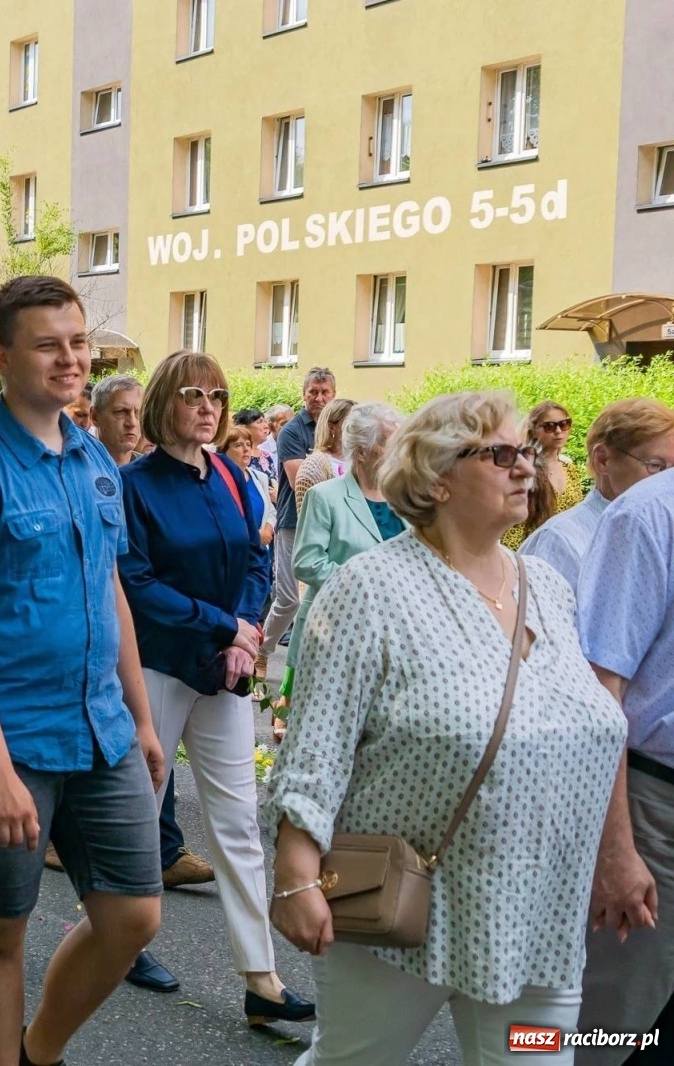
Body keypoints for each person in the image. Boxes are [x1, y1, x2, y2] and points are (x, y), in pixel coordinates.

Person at [265, 390, 634, 1063]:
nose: (527, 466)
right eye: (501, 453)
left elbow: (592, 734)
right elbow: (315, 750)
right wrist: (294, 876)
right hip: (406, 906)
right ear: (436, 477)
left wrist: (617, 854)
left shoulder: (548, 586)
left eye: (527, 450)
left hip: (540, 913)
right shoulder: (368, 590)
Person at [0, 276, 166, 1066]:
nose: (70, 359)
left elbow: (111, 591)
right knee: (0, 927)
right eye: (49, 344)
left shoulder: (94, 457)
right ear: (3, 356)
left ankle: (39, 1050)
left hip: (99, 723)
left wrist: (145, 720)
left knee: (134, 915)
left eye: (79, 342)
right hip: (3, 734)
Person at [116, 351, 310, 1025]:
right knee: (139, 813)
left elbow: (258, 555)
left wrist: (248, 631)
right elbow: (134, 584)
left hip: (224, 667)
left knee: (236, 822)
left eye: (218, 396)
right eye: (194, 394)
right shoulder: (132, 485)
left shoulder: (230, 472)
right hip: (158, 668)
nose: (208, 407)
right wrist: (224, 625)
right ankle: (121, 940)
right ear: (165, 400)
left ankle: (262, 979)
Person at [93, 373, 216, 915]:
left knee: (153, 754)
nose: (129, 421)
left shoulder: (161, 475)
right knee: (135, 754)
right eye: (118, 412)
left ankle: (161, 850)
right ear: (96, 418)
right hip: (115, 636)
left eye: (135, 411)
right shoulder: (100, 473)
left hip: (160, 640)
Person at [573, 464, 674, 1065]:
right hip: (656, 808)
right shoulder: (647, 515)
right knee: (615, 1033)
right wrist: (614, 849)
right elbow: (598, 688)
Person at [287, 403, 402, 677]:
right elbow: (306, 563)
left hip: (393, 634)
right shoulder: (325, 497)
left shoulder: (404, 500)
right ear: (361, 451)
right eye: (390, 444)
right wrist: (365, 584)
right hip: (336, 632)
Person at [521, 398, 674, 591]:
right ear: (603, 460)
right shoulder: (560, 542)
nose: (667, 481)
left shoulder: (663, 529)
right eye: (656, 466)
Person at [260, 370, 334, 664]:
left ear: (333, 394)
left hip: (332, 525)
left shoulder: (341, 430)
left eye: (325, 392)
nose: (318, 397)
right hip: (294, 522)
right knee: (289, 599)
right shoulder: (292, 431)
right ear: (304, 394)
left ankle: (308, 665)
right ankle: (262, 651)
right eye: (313, 391)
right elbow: (301, 482)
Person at [503, 400, 588, 549]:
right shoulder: (526, 471)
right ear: (534, 430)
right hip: (536, 553)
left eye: (564, 424)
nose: (558, 431)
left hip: (569, 550)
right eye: (549, 426)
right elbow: (515, 529)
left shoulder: (570, 468)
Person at [293, 398, 356, 517]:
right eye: (352, 423)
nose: (359, 428)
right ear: (332, 427)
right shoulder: (314, 465)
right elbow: (308, 519)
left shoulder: (360, 460)